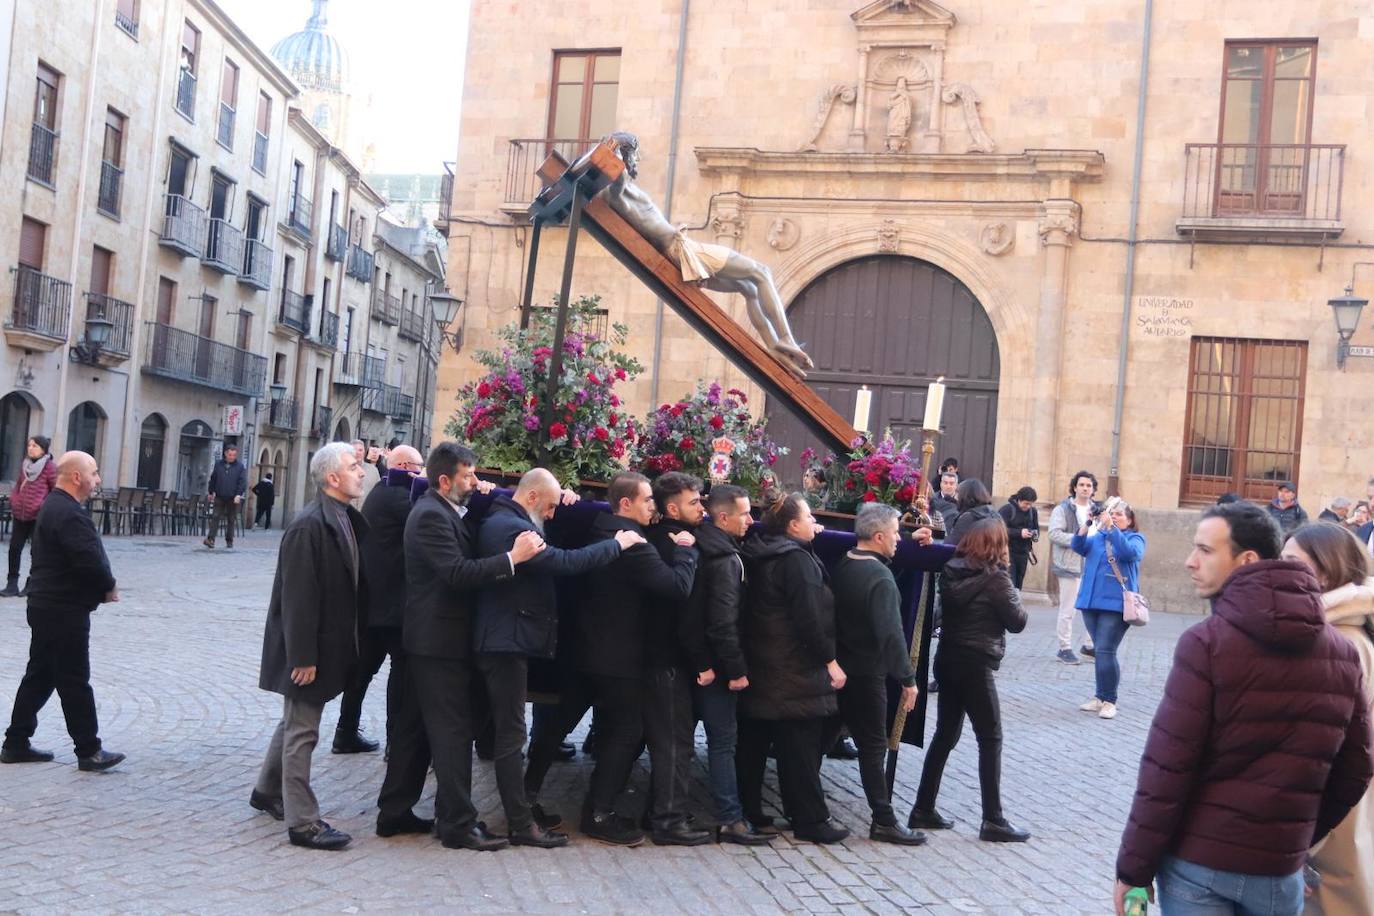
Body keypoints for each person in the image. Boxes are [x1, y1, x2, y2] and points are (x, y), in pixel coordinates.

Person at [1113, 503, 1374, 916]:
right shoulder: (1341, 651)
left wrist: (1133, 870)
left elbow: (1168, 769)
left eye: (1205, 550)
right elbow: (1356, 768)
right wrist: (1295, 840)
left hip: (1199, 864)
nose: (1189, 561)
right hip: (1278, 872)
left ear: (1247, 559)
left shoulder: (1207, 644)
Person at [380, 443, 544, 851]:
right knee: (453, 732)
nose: (476, 482)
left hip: (434, 638)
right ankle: (456, 823)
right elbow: (456, 572)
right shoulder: (431, 516)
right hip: (438, 641)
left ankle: (394, 811)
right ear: (444, 480)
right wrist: (513, 557)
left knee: (415, 728)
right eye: (468, 476)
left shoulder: (447, 509)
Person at [472, 467, 641, 848]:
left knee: (514, 733)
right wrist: (617, 544)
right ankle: (520, 823)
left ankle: (523, 810)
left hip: (507, 639)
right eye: (548, 507)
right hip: (505, 642)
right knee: (511, 736)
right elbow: (565, 563)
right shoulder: (512, 528)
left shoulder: (507, 518)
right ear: (531, 497)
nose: (552, 515)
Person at [601, 132, 814, 377]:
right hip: (684, 250)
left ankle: (773, 346)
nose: (637, 159)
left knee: (750, 288)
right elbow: (615, 187)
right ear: (625, 156)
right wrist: (612, 154)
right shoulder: (616, 192)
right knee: (761, 272)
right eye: (634, 154)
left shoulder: (625, 188)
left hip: (680, 251)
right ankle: (786, 338)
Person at [566, 471, 697, 846]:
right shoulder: (634, 542)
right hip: (620, 654)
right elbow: (676, 587)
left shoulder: (601, 525)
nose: (653, 508)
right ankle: (599, 812)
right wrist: (687, 551)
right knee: (626, 733)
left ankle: (593, 805)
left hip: (595, 647)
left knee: (611, 731)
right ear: (626, 503)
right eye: (647, 501)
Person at [251, 443, 367, 850]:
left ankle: (266, 791)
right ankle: (303, 822)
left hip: (327, 644)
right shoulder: (309, 525)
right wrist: (303, 657)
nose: (362, 472)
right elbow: (297, 597)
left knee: (294, 720)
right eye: (354, 467)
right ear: (332, 478)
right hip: (306, 650)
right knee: (304, 731)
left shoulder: (343, 516)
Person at [1, 451, 123, 772]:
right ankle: (89, 750)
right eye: (94, 473)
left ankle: (15, 743)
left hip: (47, 604)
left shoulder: (57, 507)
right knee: (73, 678)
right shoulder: (66, 512)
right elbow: (87, 559)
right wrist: (108, 585)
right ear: (77, 477)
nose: (98, 480)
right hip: (61, 608)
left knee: (40, 676)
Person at [737, 493, 848, 844]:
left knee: (754, 743)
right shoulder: (796, 561)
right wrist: (830, 661)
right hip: (794, 668)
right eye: (808, 516)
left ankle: (749, 810)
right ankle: (810, 819)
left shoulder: (760, 550)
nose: (814, 522)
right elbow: (809, 619)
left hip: (764, 662)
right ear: (792, 525)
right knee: (799, 746)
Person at [910, 518, 1029, 843]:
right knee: (990, 738)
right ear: (996, 545)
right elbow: (1017, 621)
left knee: (945, 735)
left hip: (948, 658)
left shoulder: (951, 570)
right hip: (976, 663)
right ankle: (994, 819)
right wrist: (1016, 595)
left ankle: (923, 807)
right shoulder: (997, 579)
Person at [1279, 523, 1374, 915]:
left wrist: (1294, 842)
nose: (1278, 572)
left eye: (1290, 563)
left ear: (1327, 571)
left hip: (1329, 831)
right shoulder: (1348, 634)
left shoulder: (1338, 644)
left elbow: (1318, 757)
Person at [677, 483, 773, 846]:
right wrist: (735, 671)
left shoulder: (707, 546)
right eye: (745, 513)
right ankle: (730, 818)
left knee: (683, 741)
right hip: (716, 668)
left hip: (698, 662)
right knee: (722, 743)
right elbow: (722, 623)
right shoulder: (725, 561)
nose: (752, 520)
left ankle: (665, 809)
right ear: (722, 517)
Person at [829, 503, 925, 845]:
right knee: (873, 748)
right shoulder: (879, 577)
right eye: (897, 534)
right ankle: (883, 820)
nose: (900, 540)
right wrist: (908, 680)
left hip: (840, 670)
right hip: (866, 675)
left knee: (817, 740)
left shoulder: (846, 562)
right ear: (879, 536)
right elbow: (891, 634)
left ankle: (808, 810)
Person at [637, 472, 715, 845]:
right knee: (674, 743)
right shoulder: (676, 544)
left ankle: (660, 812)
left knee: (671, 739)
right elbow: (686, 612)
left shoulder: (664, 537)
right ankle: (668, 821)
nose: (702, 507)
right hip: (666, 657)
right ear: (672, 508)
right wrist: (701, 662)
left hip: (660, 655)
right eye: (694, 502)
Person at [335, 445, 427, 756]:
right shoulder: (399, 497)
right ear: (402, 465)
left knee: (362, 671)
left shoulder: (382, 491)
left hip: (374, 598)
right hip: (392, 602)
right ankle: (395, 743)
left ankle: (345, 732)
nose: (420, 471)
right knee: (400, 671)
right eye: (417, 466)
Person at [1071, 498, 1145, 719]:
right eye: (1112, 514)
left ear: (1130, 520)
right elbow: (1078, 545)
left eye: (1120, 515)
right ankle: (1100, 696)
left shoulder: (1135, 538)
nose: (1114, 517)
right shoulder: (1099, 537)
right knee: (1100, 652)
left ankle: (1110, 700)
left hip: (1115, 604)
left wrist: (1112, 529)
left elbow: (1130, 554)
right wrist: (1087, 523)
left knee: (1105, 650)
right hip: (1090, 602)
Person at [1048, 471, 1100, 665]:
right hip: (1070, 564)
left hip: (1093, 564)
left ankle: (1089, 645)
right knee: (1068, 609)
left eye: (1089, 485)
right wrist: (1079, 539)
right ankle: (1064, 648)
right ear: (1075, 487)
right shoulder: (1063, 509)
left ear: (1093, 489)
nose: (1085, 488)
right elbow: (1054, 534)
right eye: (1082, 485)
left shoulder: (1097, 509)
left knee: (1092, 606)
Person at [3, 435, 56, 597]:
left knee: (36, 551)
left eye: (35, 446)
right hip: (20, 514)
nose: (31, 448)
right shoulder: (25, 465)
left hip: (37, 516)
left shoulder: (49, 467)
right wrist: (14, 500)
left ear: (43, 449)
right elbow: (18, 485)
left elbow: (55, 490)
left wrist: (42, 506)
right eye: (29, 445)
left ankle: (32, 583)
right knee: (14, 549)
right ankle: (12, 584)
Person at [204, 443, 246, 548]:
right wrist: (210, 492)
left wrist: (238, 494)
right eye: (230, 455)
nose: (232, 457)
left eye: (234, 455)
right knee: (215, 516)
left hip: (233, 497)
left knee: (231, 519)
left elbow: (242, 482)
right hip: (219, 495)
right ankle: (210, 539)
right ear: (225, 454)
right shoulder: (219, 464)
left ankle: (229, 540)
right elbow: (213, 479)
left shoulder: (240, 466)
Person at [998, 486, 1039, 589]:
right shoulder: (1007, 510)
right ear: (1019, 500)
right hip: (1007, 552)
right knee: (1009, 583)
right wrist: (1019, 533)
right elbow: (998, 530)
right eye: (1026, 503)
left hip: (1024, 553)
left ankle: (1015, 602)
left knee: (1018, 584)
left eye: (1030, 504)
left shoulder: (1032, 512)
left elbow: (1036, 528)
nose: (1028, 506)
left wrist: (1034, 535)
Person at [946, 478, 998, 548]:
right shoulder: (995, 514)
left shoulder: (968, 517)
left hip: (970, 557)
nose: (955, 497)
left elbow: (951, 545)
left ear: (964, 496)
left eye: (957, 494)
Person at [350, 440, 382, 510]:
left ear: (364, 452)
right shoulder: (343, 470)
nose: (358, 453)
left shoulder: (373, 470)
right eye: (354, 450)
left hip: (366, 514)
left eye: (360, 450)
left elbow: (378, 493)